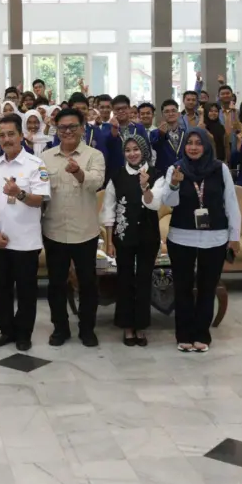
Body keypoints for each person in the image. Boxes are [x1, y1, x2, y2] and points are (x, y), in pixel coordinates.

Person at [159, 129, 240, 353]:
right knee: (183, 288)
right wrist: (174, 184)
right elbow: (169, 202)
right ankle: (183, 334)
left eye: (198, 143)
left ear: (206, 146)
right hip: (181, 237)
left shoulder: (219, 168)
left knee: (207, 288)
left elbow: (231, 202)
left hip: (215, 237)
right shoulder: (175, 168)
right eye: (189, 143)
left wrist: (235, 237)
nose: (193, 147)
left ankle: (201, 334)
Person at [0, 113, 51, 352]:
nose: (6, 139)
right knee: (2, 290)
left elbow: (38, 200)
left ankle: (23, 333)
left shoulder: (35, 165)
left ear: (21, 136)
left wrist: (18, 192)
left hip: (26, 242)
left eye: (11, 134)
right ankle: (6, 330)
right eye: (2, 135)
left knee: (27, 291)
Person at [41, 108, 104, 347]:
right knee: (56, 284)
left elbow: (97, 183)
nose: (67, 131)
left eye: (72, 127)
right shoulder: (45, 158)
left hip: (84, 231)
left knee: (87, 284)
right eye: (62, 127)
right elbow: (41, 191)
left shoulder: (94, 155)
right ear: (56, 130)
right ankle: (60, 328)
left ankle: (87, 329)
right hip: (54, 230)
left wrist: (78, 172)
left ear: (82, 129)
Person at [100, 133, 162, 346]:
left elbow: (154, 205)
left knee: (144, 280)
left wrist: (145, 186)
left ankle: (141, 326)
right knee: (125, 280)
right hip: (123, 236)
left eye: (136, 149)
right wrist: (109, 241)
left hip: (148, 235)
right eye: (128, 150)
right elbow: (108, 210)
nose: (132, 153)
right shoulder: (117, 176)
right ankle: (127, 326)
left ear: (143, 150)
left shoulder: (156, 174)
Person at [153, 99, 187, 174]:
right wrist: (161, 135)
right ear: (162, 114)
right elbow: (155, 146)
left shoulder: (186, 133)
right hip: (163, 173)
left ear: (178, 114)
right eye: (167, 111)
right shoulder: (155, 133)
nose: (170, 114)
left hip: (183, 172)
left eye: (173, 111)